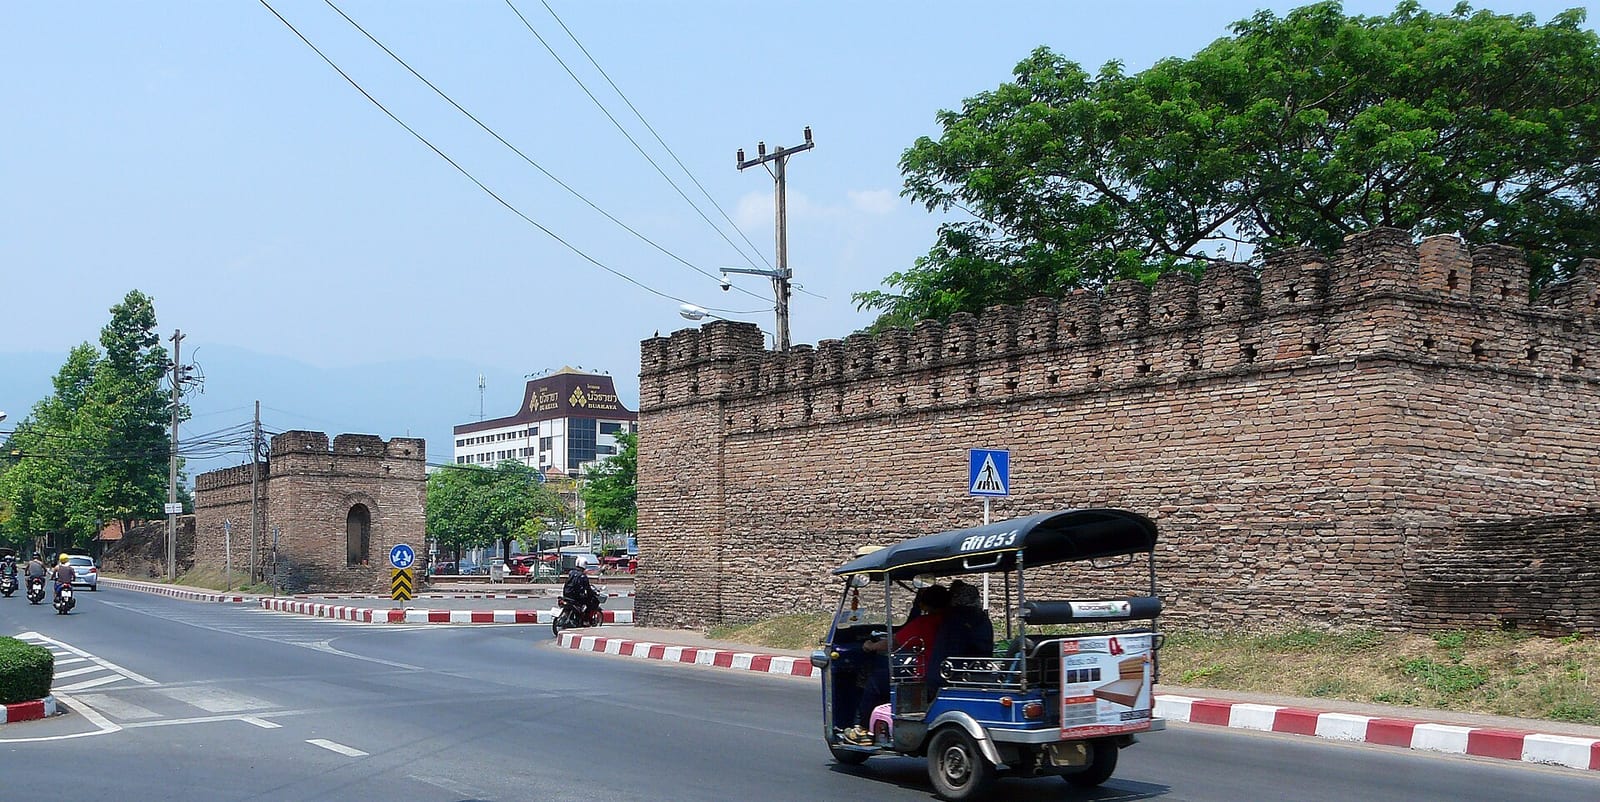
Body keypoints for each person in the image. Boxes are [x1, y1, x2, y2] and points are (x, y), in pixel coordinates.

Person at [842, 584, 952, 745]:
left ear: (926, 604)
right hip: (947, 674)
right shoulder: (954, 622)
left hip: (924, 679)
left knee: (875, 681)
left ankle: (864, 730)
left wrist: (870, 646)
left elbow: (894, 642)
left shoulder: (926, 622)